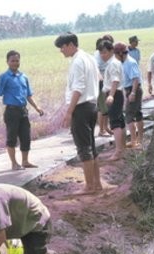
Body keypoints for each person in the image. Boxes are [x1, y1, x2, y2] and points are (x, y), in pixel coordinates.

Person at [54, 32, 103, 195]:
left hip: (81, 108)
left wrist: (69, 112)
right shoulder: (89, 58)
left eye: (62, 47)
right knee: (91, 146)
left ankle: (89, 186)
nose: (61, 51)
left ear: (70, 45)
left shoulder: (77, 62)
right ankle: (97, 183)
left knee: (84, 148)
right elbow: (99, 79)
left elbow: (78, 88)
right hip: (91, 105)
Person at [0, 50, 44, 170]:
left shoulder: (24, 77)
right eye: (12, 61)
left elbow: (29, 95)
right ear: (7, 62)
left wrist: (37, 107)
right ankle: (14, 163)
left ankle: (25, 161)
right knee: (12, 138)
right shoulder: (4, 77)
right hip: (11, 112)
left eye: (17, 61)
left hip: (23, 111)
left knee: (26, 137)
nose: (15, 63)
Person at [100, 40, 126, 161]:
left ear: (111, 51)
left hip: (114, 94)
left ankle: (118, 151)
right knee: (120, 121)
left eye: (105, 52)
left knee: (115, 123)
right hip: (116, 93)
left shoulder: (113, 64)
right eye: (100, 53)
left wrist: (111, 95)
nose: (102, 55)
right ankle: (121, 148)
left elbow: (115, 80)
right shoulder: (114, 63)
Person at [116, 42, 144, 149]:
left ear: (120, 53)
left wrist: (132, 92)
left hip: (133, 89)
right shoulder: (124, 62)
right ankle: (138, 140)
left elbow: (135, 79)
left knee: (129, 115)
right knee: (138, 113)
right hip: (130, 89)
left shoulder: (130, 62)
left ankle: (134, 141)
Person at [94, 35, 114, 137]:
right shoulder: (98, 54)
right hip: (101, 82)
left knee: (106, 107)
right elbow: (96, 68)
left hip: (107, 81)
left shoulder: (109, 54)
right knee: (102, 107)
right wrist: (100, 77)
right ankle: (101, 130)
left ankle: (106, 127)